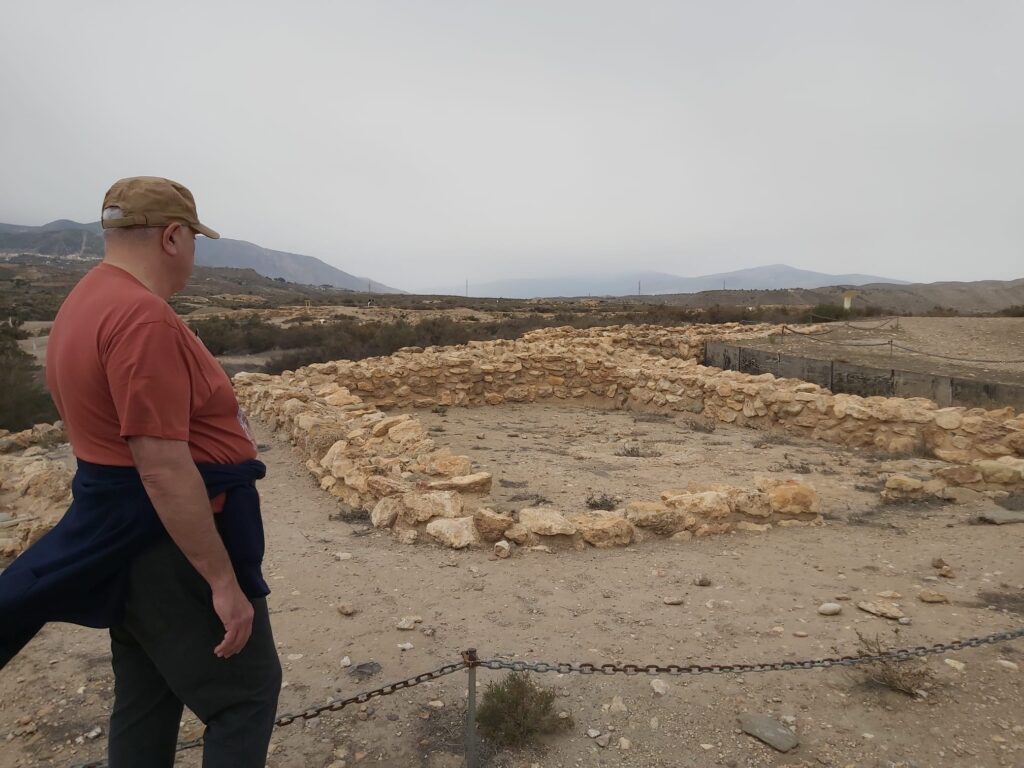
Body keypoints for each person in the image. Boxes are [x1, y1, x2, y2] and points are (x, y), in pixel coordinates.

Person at [0, 177, 281, 767]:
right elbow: (161, 465)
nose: (195, 256)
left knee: (149, 692)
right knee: (245, 696)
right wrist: (222, 582)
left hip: (123, 537)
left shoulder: (83, 301)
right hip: (168, 542)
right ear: (174, 236)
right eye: (195, 240)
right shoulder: (142, 317)